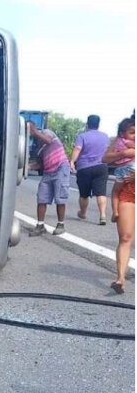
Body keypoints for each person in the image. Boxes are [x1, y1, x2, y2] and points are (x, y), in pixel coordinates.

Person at [102, 125, 134, 294]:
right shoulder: (120, 140)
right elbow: (105, 158)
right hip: (128, 193)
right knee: (125, 237)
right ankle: (120, 278)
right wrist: (122, 153)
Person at [26, 124, 69, 236]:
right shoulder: (37, 147)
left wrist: (35, 131)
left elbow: (49, 141)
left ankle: (60, 225)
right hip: (48, 172)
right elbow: (41, 164)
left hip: (60, 168)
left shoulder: (46, 133)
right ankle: (40, 225)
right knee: (41, 198)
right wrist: (28, 167)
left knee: (60, 197)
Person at [70, 114, 111, 225]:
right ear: (98, 124)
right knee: (101, 193)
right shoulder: (105, 136)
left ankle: (83, 213)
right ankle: (102, 215)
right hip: (101, 167)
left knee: (84, 194)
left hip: (84, 168)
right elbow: (108, 150)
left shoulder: (82, 136)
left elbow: (77, 149)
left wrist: (72, 162)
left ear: (87, 124)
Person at [108, 117, 135, 223]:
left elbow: (106, 158)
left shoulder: (120, 140)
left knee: (115, 191)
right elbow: (105, 158)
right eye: (132, 132)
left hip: (121, 170)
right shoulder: (129, 143)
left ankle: (115, 211)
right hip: (131, 169)